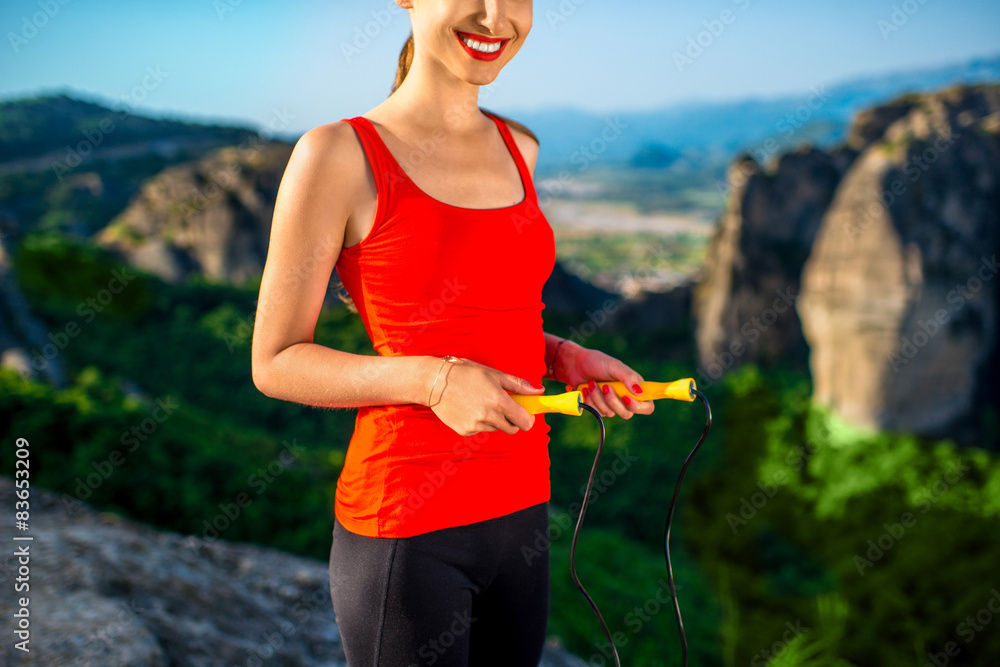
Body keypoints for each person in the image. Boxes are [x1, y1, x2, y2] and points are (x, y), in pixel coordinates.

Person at [250, 1, 654, 664]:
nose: (495, 16)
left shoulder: (519, 147)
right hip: (407, 533)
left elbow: (487, 316)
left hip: (523, 513)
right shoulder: (337, 154)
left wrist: (566, 356)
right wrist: (433, 381)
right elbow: (276, 361)